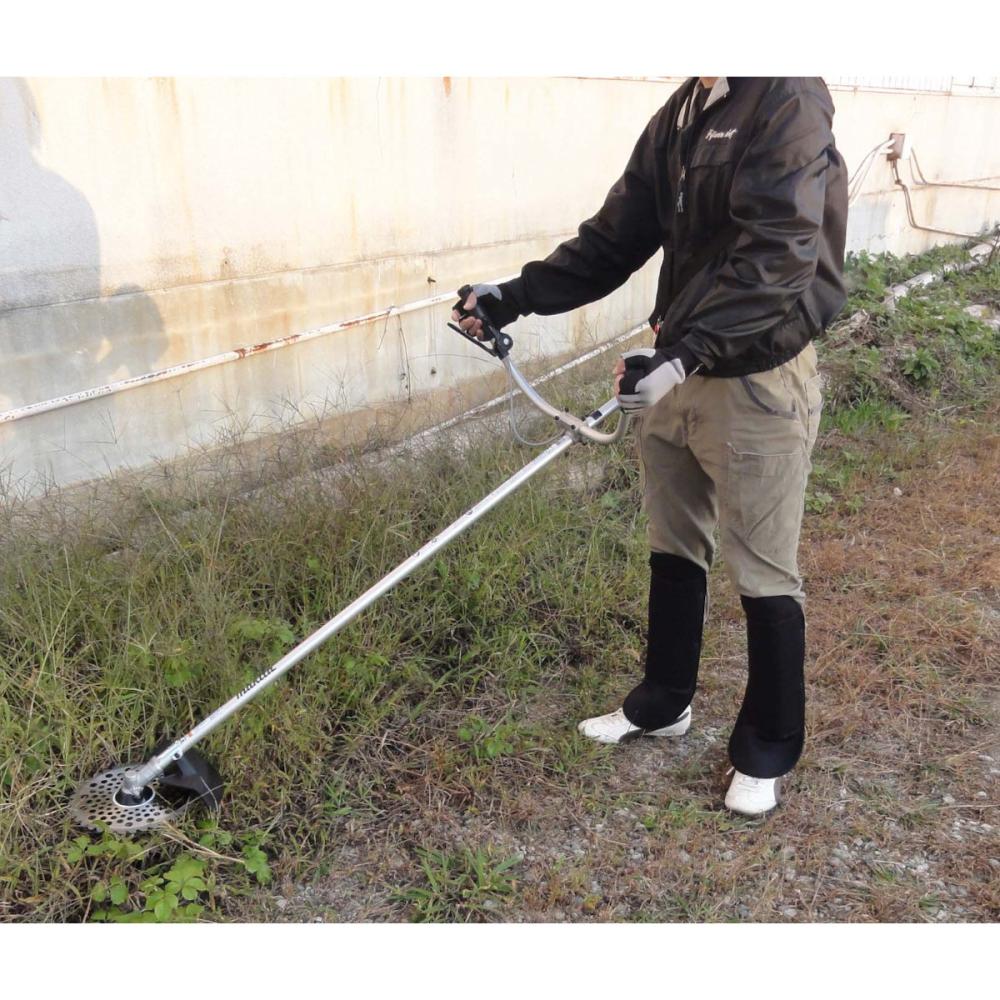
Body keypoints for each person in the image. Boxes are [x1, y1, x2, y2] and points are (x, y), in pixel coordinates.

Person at [452, 77, 848, 816]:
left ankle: (767, 747)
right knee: (674, 545)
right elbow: (617, 236)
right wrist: (516, 295)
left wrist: (686, 353)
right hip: (676, 367)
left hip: (753, 375)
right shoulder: (686, 108)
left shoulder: (786, 96)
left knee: (763, 567)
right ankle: (664, 701)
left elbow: (780, 254)